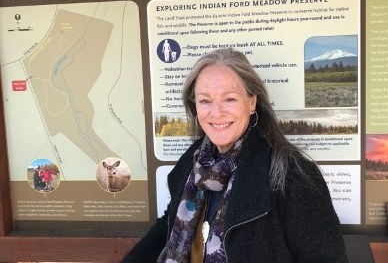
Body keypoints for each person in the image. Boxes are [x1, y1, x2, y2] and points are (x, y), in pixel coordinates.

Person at [122, 48, 348, 263]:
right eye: (205, 100)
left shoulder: (293, 176)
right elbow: (171, 222)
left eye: (229, 99)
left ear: (252, 102)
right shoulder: (193, 162)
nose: (216, 113)